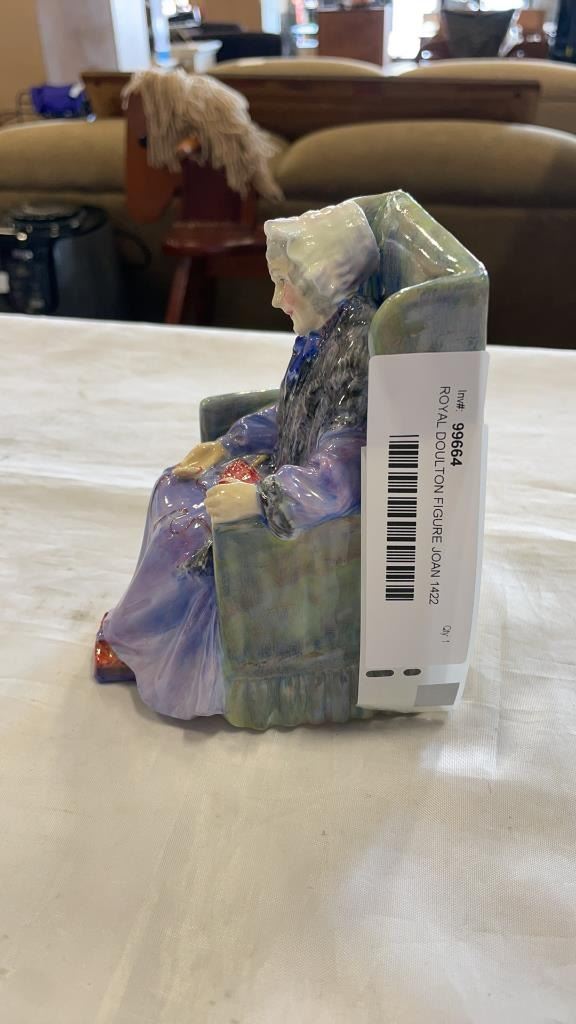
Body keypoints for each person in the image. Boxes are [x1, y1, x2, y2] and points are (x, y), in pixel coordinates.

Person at [96, 199, 380, 719]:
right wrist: (228, 443)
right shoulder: (324, 333)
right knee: (173, 484)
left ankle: (144, 643)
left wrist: (260, 498)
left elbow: (341, 473)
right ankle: (140, 629)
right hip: (280, 468)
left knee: (184, 534)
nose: (276, 299)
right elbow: (292, 411)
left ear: (322, 279)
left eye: (284, 283)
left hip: (297, 508)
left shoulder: (354, 353)